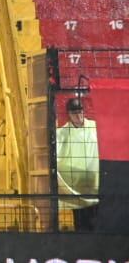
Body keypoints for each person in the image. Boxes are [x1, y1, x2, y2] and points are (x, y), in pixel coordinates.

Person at [56, 97, 100, 231]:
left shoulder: (94, 127)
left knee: (97, 224)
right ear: (69, 114)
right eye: (74, 113)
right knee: (82, 226)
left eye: (80, 111)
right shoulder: (62, 133)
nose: (78, 116)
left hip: (96, 187)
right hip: (75, 191)